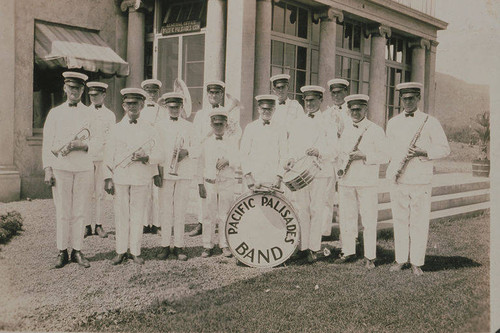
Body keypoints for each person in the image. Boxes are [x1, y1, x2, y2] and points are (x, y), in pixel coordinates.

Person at [386, 82, 450, 276]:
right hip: (398, 178)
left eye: (411, 98)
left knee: (419, 221)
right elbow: (390, 150)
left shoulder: (430, 121)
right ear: (400, 99)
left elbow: (445, 149)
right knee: (400, 220)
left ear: (418, 98)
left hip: (420, 179)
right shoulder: (393, 122)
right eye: (404, 98)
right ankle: (400, 259)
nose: (408, 102)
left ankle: (416, 262)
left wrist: (424, 152)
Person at [42, 71, 94, 269]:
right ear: (65, 88)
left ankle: (77, 250)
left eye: (79, 88)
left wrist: (83, 145)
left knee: (80, 210)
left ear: (83, 90)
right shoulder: (55, 113)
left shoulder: (89, 113)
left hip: (83, 168)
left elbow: (98, 141)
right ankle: (62, 251)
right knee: (63, 210)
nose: (75, 91)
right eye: (72, 87)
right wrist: (48, 169)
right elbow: (47, 144)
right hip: (61, 168)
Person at [103, 88, 158, 265]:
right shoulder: (116, 128)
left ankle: (135, 250)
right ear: (123, 105)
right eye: (129, 104)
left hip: (140, 176)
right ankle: (120, 251)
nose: (132, 107)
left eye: (136, 103)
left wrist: (147, 157)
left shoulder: (150, 129)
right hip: (120, 176)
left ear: (142, 105)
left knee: (137, 214)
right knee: (121, 214)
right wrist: (107, 177)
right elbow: (108, 154)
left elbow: (160, 153)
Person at [286, 85, 339, 263]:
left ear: (320, 100)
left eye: (313, 100)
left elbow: (334, 148)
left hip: (320, 171)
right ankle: (302, 246)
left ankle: (314, 248)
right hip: (301, 171)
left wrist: (319, 151)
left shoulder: (328, 122)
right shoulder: (298, 121)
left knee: (317, 209)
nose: (309, 103)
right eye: (306, 100)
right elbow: (292, 146)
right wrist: (291, 159)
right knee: (302, 209)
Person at [336, 94, 388, 269]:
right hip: (346, 180)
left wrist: (364, 156)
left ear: (366, 109)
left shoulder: (375, 130)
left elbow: (385, 155)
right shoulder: (345, 129)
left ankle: (370, 256)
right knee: (347, 218)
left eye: (358, 109)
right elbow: (340, 154)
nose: (355, 112)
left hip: (366, 182)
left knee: (368, 219)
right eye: (352, 109)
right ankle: (348, 251)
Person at [190, 80, 242, 237]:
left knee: (223, 201)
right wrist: (203, 141)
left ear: (221, 95)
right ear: (207, 95)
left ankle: (222, 233)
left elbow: (236, 135)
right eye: (211, 93)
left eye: (217, 93)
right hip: (205, 154)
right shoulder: (200, 114)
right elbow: (195, 134)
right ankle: (201, 223)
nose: (214, 95)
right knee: (205, 195)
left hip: (223, 159)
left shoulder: (229, 114)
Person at [153, 92, 195, 261]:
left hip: (183, 173)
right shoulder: (158, 126)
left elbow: (198, 148)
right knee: (165, 211)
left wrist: (188, 151)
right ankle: (164, 246)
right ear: (166, 108)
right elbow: (155, 150)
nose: (174, 110)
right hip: (165, 173)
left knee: (180, 211)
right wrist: (156, 172)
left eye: (177, 107)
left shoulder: (189, 126)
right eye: (171, 107)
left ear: (181, 108)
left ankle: (178, 246)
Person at [197, 109, 240, 257]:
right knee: (208, 214)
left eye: (221, 124)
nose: (218, 127)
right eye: (215, 124)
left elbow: (239, 161)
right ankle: (207, 245)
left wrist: (228, 161)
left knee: (224, 214)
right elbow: (199, 164)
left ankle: (224, 244)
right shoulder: (205, 143)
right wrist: (200, 184)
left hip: (227, 182)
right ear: (211, 124)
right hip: (210, 182)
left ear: (226, 124)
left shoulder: (232, 142)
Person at [85, 81, 116, 239]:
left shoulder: (110, 115)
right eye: (91, 95)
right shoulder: (84, 112)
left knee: (100, 193)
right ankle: (86, 225)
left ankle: (98, 224)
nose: (93, 98)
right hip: (87, 158)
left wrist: (109, 164)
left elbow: (111, 140)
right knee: (86, 192)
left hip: (103, 158)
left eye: (96, 95)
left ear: (103, 95)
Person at [240, 95, 287, 191]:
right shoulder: (250, 128)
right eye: (264, 109)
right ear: (258, 109)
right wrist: (248, 176)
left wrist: (279, 176)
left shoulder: (280, 129)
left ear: (274, 110)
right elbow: (243, 154)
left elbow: (284, 155)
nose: (266, 111)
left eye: (270, 109)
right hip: (253, 179)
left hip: (272, 179)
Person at [140, 79, 164, 234]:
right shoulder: (139, 110)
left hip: (157, 152)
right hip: (143, 153)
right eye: (148, 92)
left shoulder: (163, 111)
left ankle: (157, 224)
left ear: (157, 93)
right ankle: (144, 223)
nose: (151, 95)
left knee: (157, 191)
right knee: (143, 190)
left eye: (154, 92)